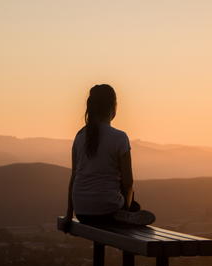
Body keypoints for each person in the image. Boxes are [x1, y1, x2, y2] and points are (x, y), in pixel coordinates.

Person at [58, 84, 155, 233]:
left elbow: (74, 178)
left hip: (82, 213)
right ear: (114, 107)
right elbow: (128, 182)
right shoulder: (120, 138)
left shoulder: (79, 136)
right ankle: (130, 212)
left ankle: (128, 212)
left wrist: (68, 215)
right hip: (109, 212)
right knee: (132, 197)